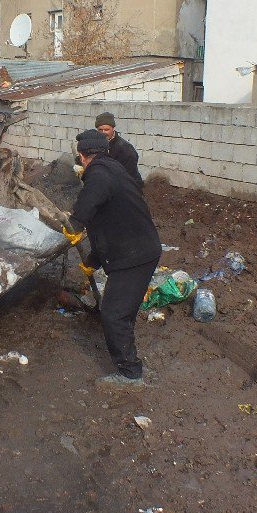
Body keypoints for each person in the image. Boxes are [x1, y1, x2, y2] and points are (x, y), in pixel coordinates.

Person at [67, 129, 162, 391]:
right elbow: (104, 225)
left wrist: (75, 222)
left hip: (134, 256)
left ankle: (130, 375)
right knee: (123, 311)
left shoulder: (100, 174)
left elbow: (91, 199)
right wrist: (93, 260)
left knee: (113, 314)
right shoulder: (114, 168)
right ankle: (130, 362)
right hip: (139, 249)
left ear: (83, 156)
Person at [94, 112, 143, 187]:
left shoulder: (125, 149)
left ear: (113, 129)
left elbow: (128, 175)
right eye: (100, 130)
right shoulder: (95, 144)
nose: (103, 133)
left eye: (106, 129)